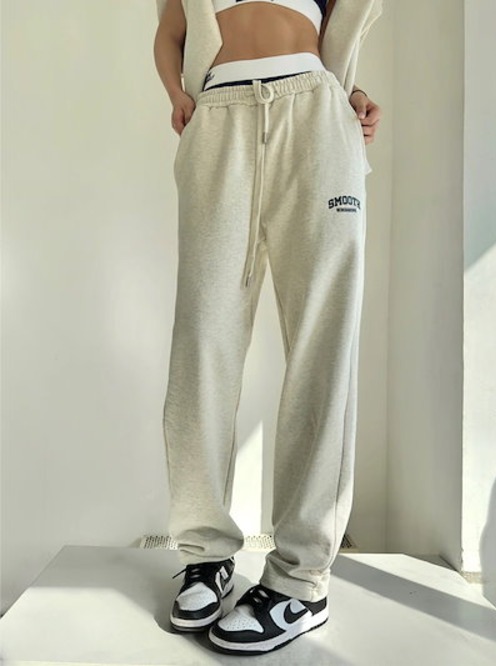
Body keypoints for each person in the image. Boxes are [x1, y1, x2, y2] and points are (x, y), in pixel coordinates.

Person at [153, 0, 383, 656]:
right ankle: (205, 553)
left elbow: (330, 40)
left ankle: (300, 581)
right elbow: (170, 32)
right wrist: (178, 95)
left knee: (322, 342)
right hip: (219, 116)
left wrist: (352, 94)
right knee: (203, 342)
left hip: (316, 115)